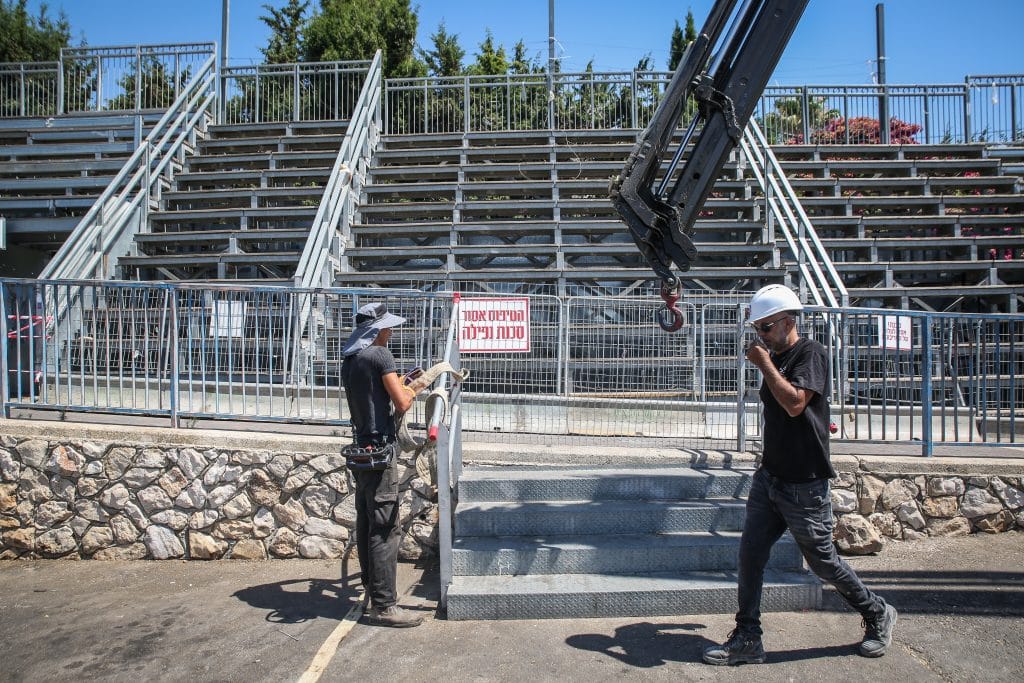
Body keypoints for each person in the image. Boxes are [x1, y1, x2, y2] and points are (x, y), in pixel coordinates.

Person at [703, 284, 896, 665]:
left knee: (823, 561)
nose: (761, 335)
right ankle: (747, 637)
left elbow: (795, 404)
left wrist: (764, 363)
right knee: (750, 555)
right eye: (757, 329)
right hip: (770, 477)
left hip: (804, 484)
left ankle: (876, 611)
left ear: (789, 320)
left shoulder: (811, 353)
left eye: (767, 327)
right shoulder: (776, 356)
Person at [341, 301, 422, 628]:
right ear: (376, 330)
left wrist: (395, 385)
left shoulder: (351, 358)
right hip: (380, 451)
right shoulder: (379, 355)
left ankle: (370, 587)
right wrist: (413, 389)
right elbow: (401, 402)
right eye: (387, 327)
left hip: (361, 448)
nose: (390, 331)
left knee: (365, 521)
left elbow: (374, 394)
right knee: (386, 527)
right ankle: (384, 605)